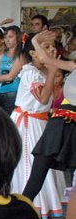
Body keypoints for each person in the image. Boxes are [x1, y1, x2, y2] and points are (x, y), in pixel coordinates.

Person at [10, 33, 65, 219]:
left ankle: (43, 203)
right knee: (32, 164)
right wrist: (52, 71)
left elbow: (52, 98)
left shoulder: (41, 71)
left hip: (40, 121)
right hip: (29, 124)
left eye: (53, 46)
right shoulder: (31, 73)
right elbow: (42, 98)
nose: (52, 50)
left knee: (43, 163)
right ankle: (32, 205)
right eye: (46, 47)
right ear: (34, 53)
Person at [22, 31, 76, 202]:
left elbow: (46, 60)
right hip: (60, 121)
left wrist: (36, 42)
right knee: (38, 174)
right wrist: (36, 43)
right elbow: (46, 61)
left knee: (39, 174)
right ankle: (22, 210)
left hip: (62, 121)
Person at [0, 26, 24, 115]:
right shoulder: (2, 55)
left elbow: (10, 77)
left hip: (12, 93)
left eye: (10, 37)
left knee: (10, 122)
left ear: (18, 38)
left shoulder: (20, 56)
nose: (7, 40)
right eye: (5, 37)